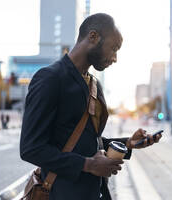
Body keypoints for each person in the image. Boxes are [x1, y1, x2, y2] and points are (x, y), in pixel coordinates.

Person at [20, 13, 161, 200]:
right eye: (114, 48)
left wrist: (127, 143)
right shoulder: (50, 78)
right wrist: (88, 165)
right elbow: (31, 148)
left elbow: (87, 141)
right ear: (93, 37)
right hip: (61, 194)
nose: (115, 58)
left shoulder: (94, 84)